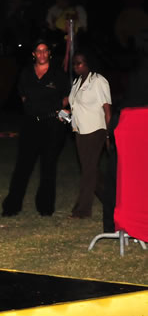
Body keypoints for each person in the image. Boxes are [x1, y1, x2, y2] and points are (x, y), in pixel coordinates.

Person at [1, 40, 70, 217]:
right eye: (38, 51)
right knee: (23, 166)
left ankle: (45, 207)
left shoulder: (58, 74)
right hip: (31, 124)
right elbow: (23, 96)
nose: (42, 54)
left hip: (52, 124)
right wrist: (33, 108)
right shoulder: (26, 73)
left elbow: (66, 97)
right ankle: (12, 206)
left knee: (48, 166)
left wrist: (56, 110)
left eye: (45, 51)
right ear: (33, 54)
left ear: (49, 53)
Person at [66, 51, 111, 219]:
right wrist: (66, 113)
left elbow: (107, 109)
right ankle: (111, 198)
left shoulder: (98, 81)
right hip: (80, 131)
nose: (76, 66)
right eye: (74, 64)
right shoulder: (77, 82)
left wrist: (108, 135)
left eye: (79, 63)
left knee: (88, 171)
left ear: (88, 63)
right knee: (90, 170)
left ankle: (83, 209)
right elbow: (75, 106)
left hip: (96, 130)